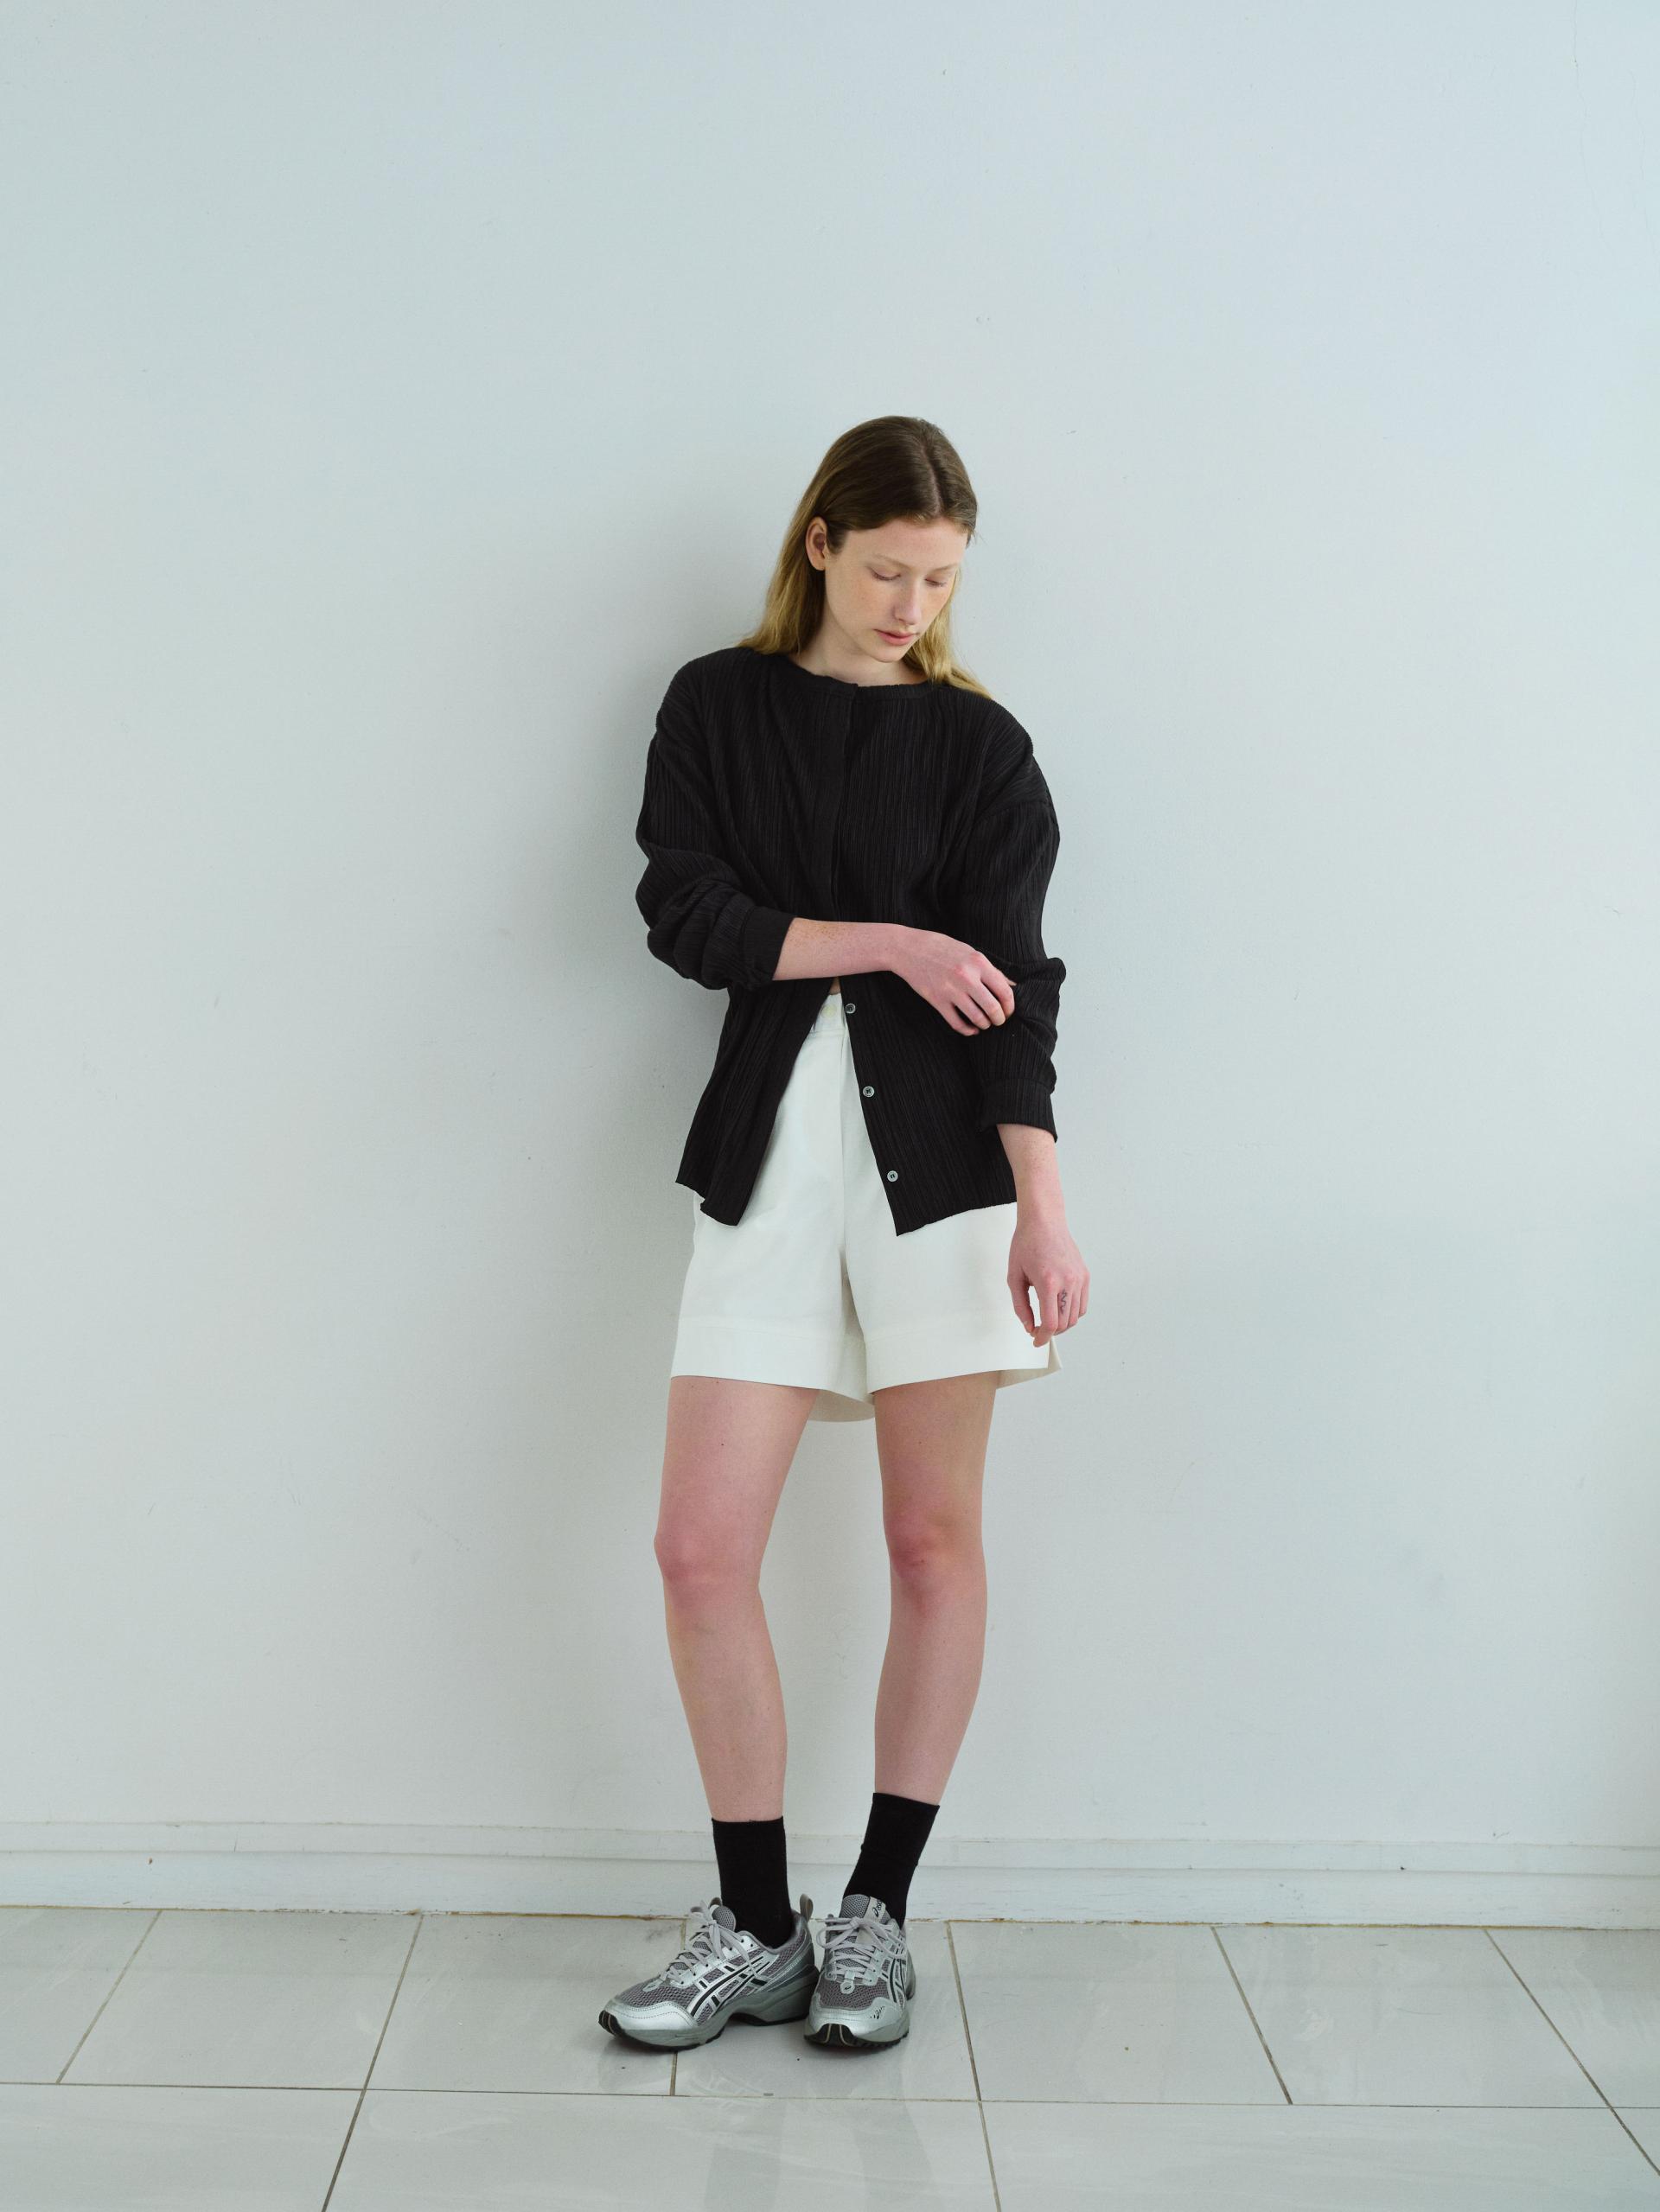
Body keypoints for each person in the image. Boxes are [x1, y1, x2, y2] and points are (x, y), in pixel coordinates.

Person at [599, 415, 1089, 2054]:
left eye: (938, 580)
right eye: (886, 570)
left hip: (944, 1183)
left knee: (932, 1544)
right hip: (768, 1172)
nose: (909, 606)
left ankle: (874, 1914)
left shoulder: (982, 747)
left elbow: (1017, 989)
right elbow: (688, 914)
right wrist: (891, 938)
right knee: (698, 1550)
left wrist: (1045, 1203)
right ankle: (756, 1927)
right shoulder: (714, 706)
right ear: (819, 543)